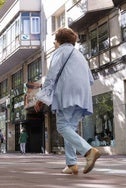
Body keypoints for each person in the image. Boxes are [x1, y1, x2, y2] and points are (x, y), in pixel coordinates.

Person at [34, 28, 101, 175]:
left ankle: (88, 151)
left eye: (55, 40)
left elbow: (51, 76)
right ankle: (71, 164)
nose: (54, 43)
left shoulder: (59, 52)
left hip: (67, 93)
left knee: (63, 127)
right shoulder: (80, 55)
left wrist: (41, 98)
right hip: (83, 95)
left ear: (59, 41)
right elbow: (90, 79)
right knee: (70, 128)